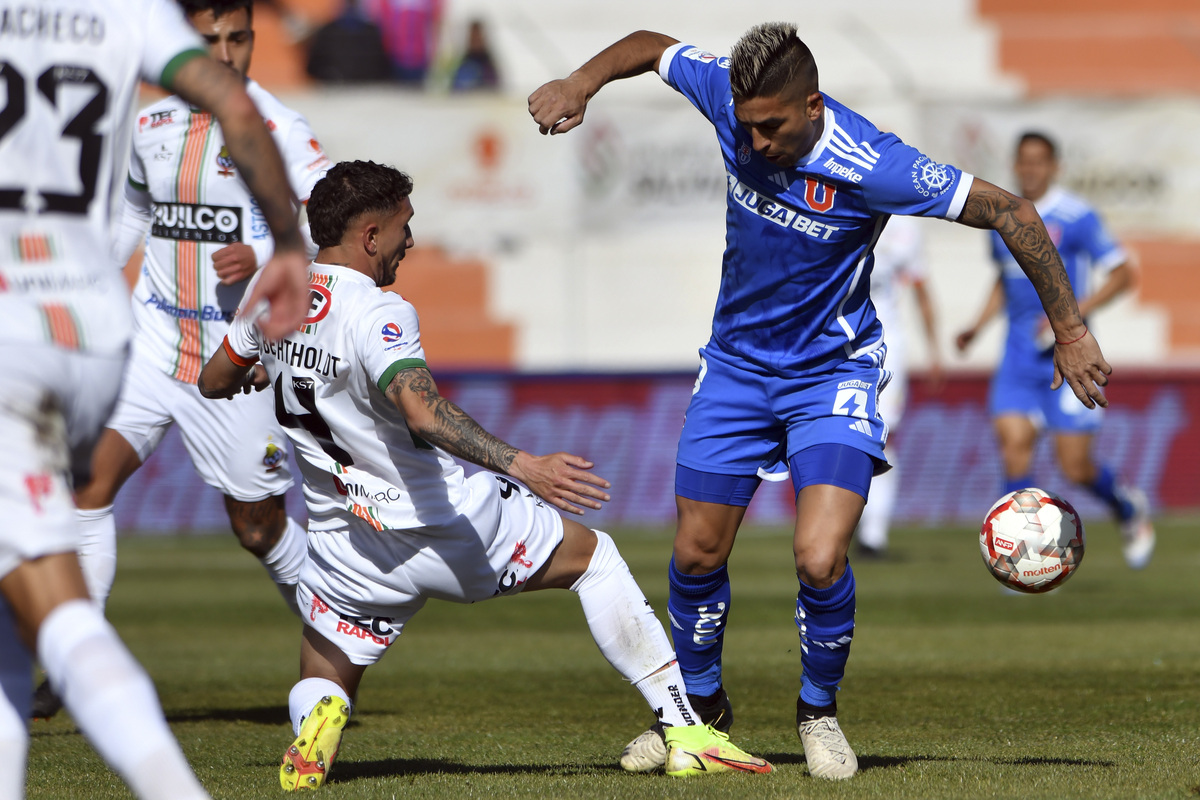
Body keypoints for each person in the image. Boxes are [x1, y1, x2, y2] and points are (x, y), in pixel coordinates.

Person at [528, 23, 1111, 780]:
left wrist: (1070, 329)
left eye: (772, 126)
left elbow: (1014, 214)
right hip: (735, 368)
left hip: (830, 375)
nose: (756, 143)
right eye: (747, 127)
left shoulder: (876, 165)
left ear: (811, 104)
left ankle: (818, 713)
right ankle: (698, 716)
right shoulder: (731, 99)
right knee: (696, 552)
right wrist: (581, 83)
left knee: (819, 553)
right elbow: (649, 44)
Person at [197, 160, 772, 789]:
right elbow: (421, 411)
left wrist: (274, 371)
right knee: (595, 560)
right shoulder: (380, 312)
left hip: (346, 539)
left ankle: (319, 718)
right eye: (401, 228)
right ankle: (687, 731)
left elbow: (215, 379)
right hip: (439, 520)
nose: (408, 242)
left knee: (325, 668)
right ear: (368, 235)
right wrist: (522, 465)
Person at [0, 1, 309, 797]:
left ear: (253, 38)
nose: (226, 52)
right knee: (88, 488)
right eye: (211, 40)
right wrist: (84, 275)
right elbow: (133, 213)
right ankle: (63, 663)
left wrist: (277, 249)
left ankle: (332, 647)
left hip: (232, 359)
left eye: (238, 37)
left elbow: (319, 224)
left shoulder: (281, 129)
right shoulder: (151, 123)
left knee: (257, 524)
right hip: (140, 342)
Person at [956, 131, 1154, 569]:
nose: (1030, 170)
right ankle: (1024, 555)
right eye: (1022, 161)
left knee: (1075, 467)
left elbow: (1122, 273)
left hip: (1067, 358)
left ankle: (1128, 508)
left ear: (1054, 166)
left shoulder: (1076, 216)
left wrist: (1073, 314)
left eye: (1038, 162)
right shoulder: (1003, 214)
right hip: (1018, 357)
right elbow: (1006, 280)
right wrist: (975, 325)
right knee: (1014, 445)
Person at [857, 215, 943, 558]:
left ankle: (873, 534)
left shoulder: (905, 228)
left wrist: (934, 350)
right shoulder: (836, 204)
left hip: (886, 343)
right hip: (833, 342)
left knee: (883, 435)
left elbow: (921, 289)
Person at [451, 19, 500, 92]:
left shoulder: (488, 65)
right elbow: (455, 87)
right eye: (473, 36)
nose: (475, 40)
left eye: (477, 36)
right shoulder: (463, 62)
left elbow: (494, 88)